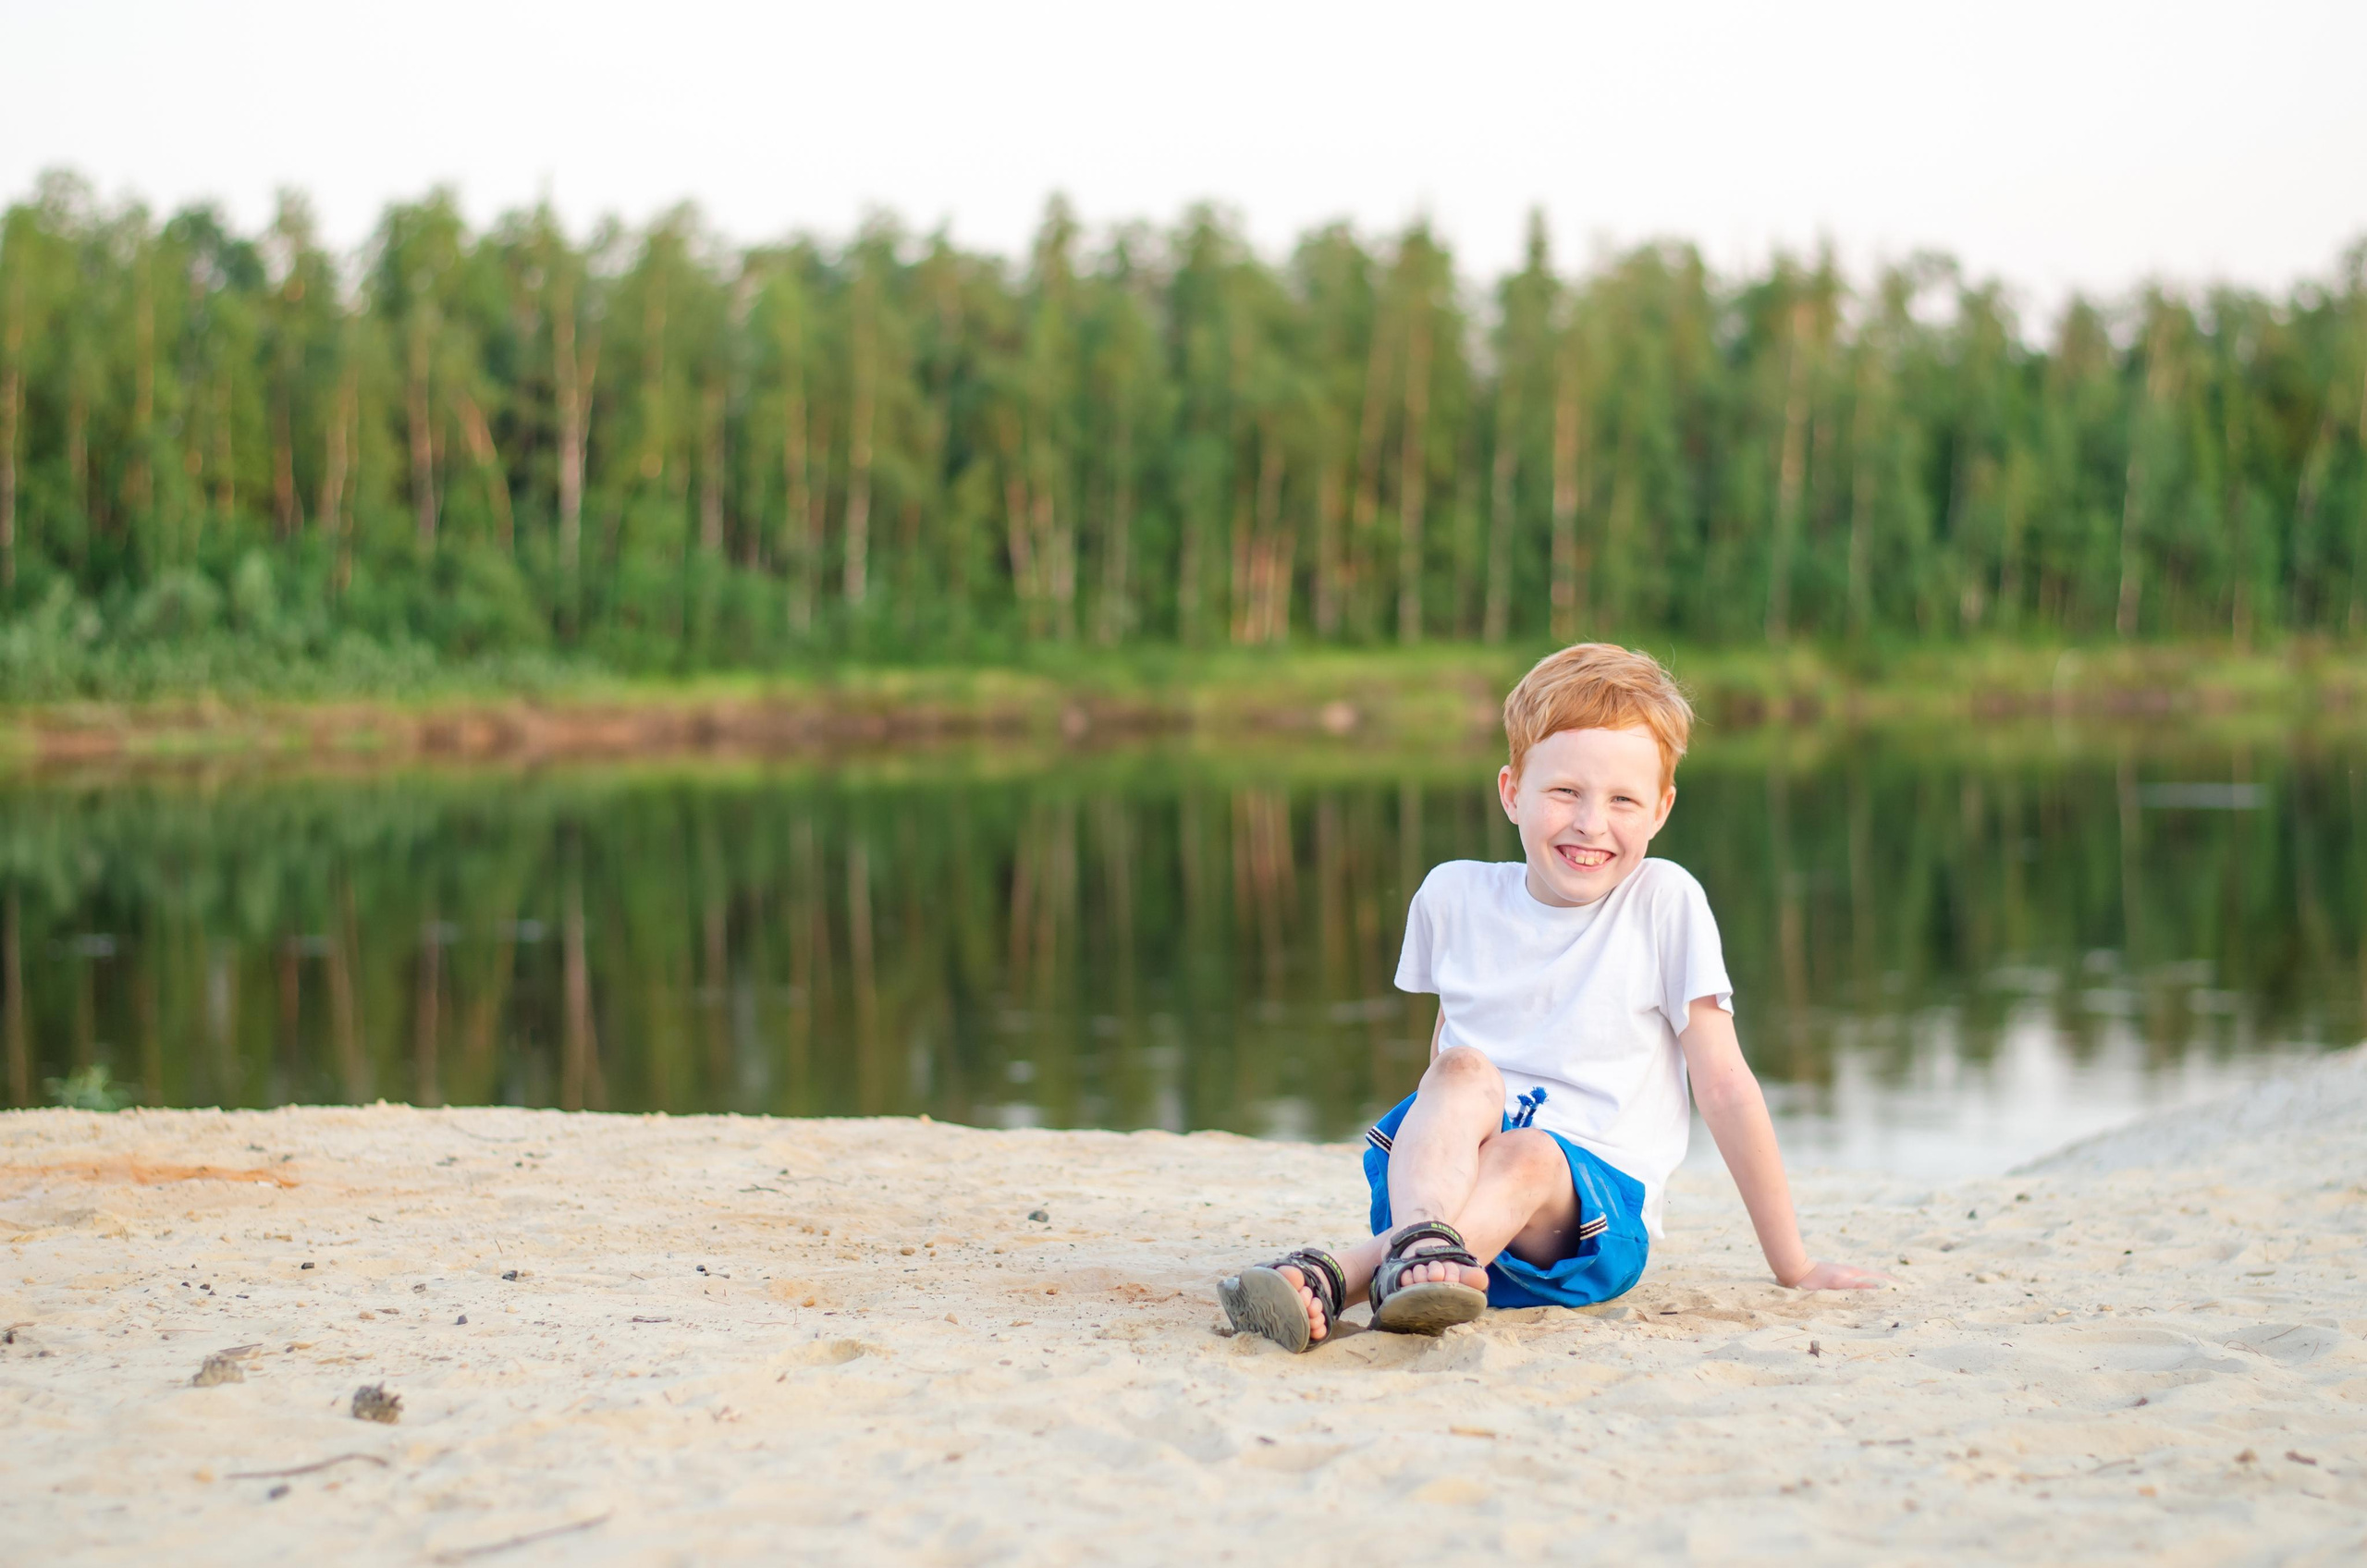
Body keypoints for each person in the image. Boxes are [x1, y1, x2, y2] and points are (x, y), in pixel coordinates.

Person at [1220, 643, 1891, 1351]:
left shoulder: (1665, 902)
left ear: (1661, 809)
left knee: (1532, 1153)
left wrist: (1795, 1264)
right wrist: (1440, 1167)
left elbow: (1724, 1086)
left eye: (1623, 800)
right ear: (1512, 791)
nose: (1590, 824)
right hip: (1442, 1200)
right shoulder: (1454, 894)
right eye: (1565, 792)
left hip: (1585, 1229)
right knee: (1461, 1072)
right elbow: (1445, 1058)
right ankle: (1420, 1252)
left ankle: (1352, 1273)